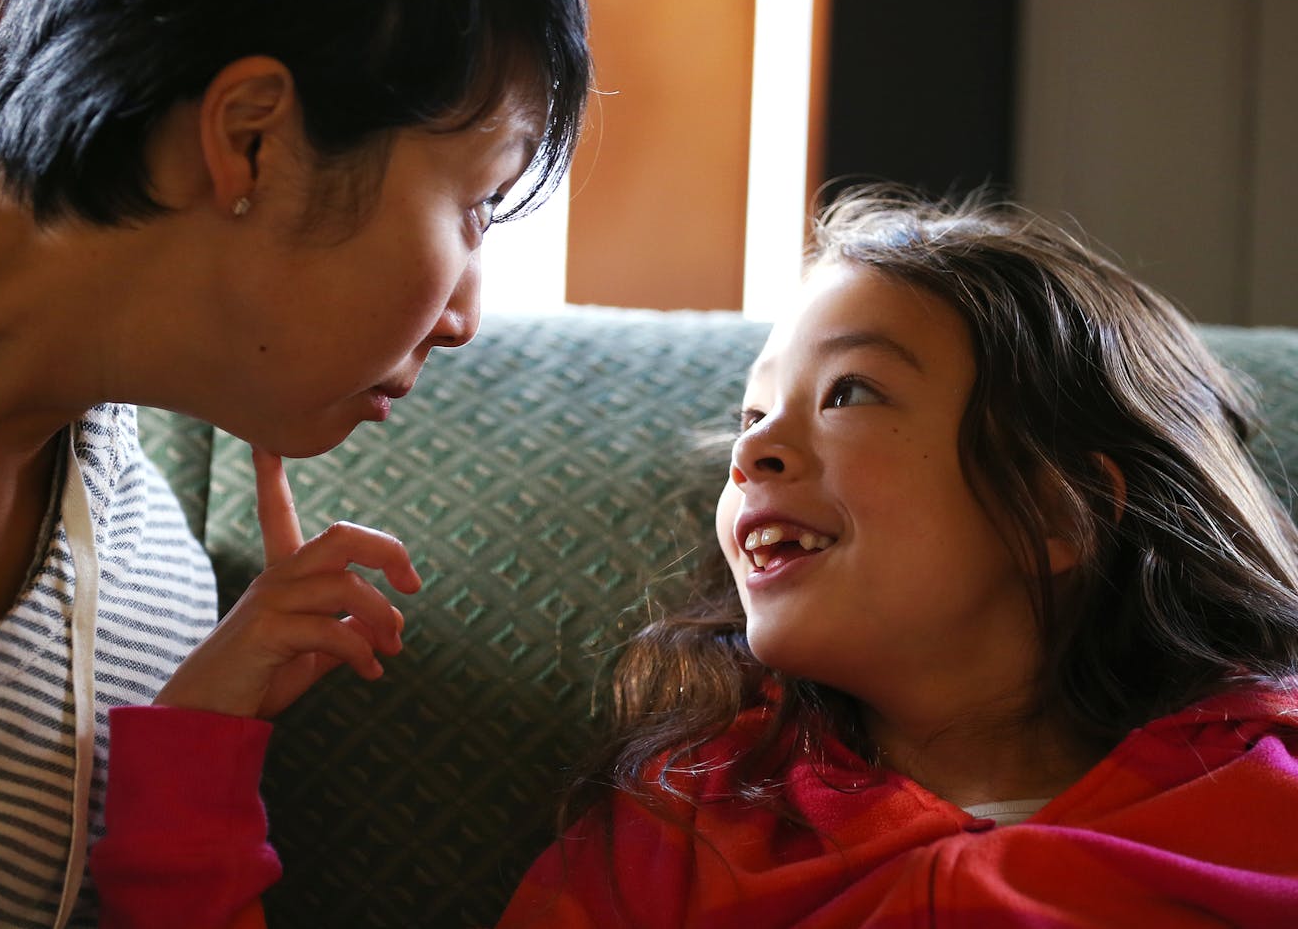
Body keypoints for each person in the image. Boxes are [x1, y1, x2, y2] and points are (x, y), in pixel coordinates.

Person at [0, 0, 590, 926]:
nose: (465, 318)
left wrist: (196, 750)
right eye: (478, 202)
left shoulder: (151, 606)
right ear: (251, 139)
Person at [494, 189, 1298, 925]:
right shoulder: (680, 826)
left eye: (850, 391)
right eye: (753, 411)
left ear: (1061, 509)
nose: (752, 448)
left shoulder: (1264, 807)